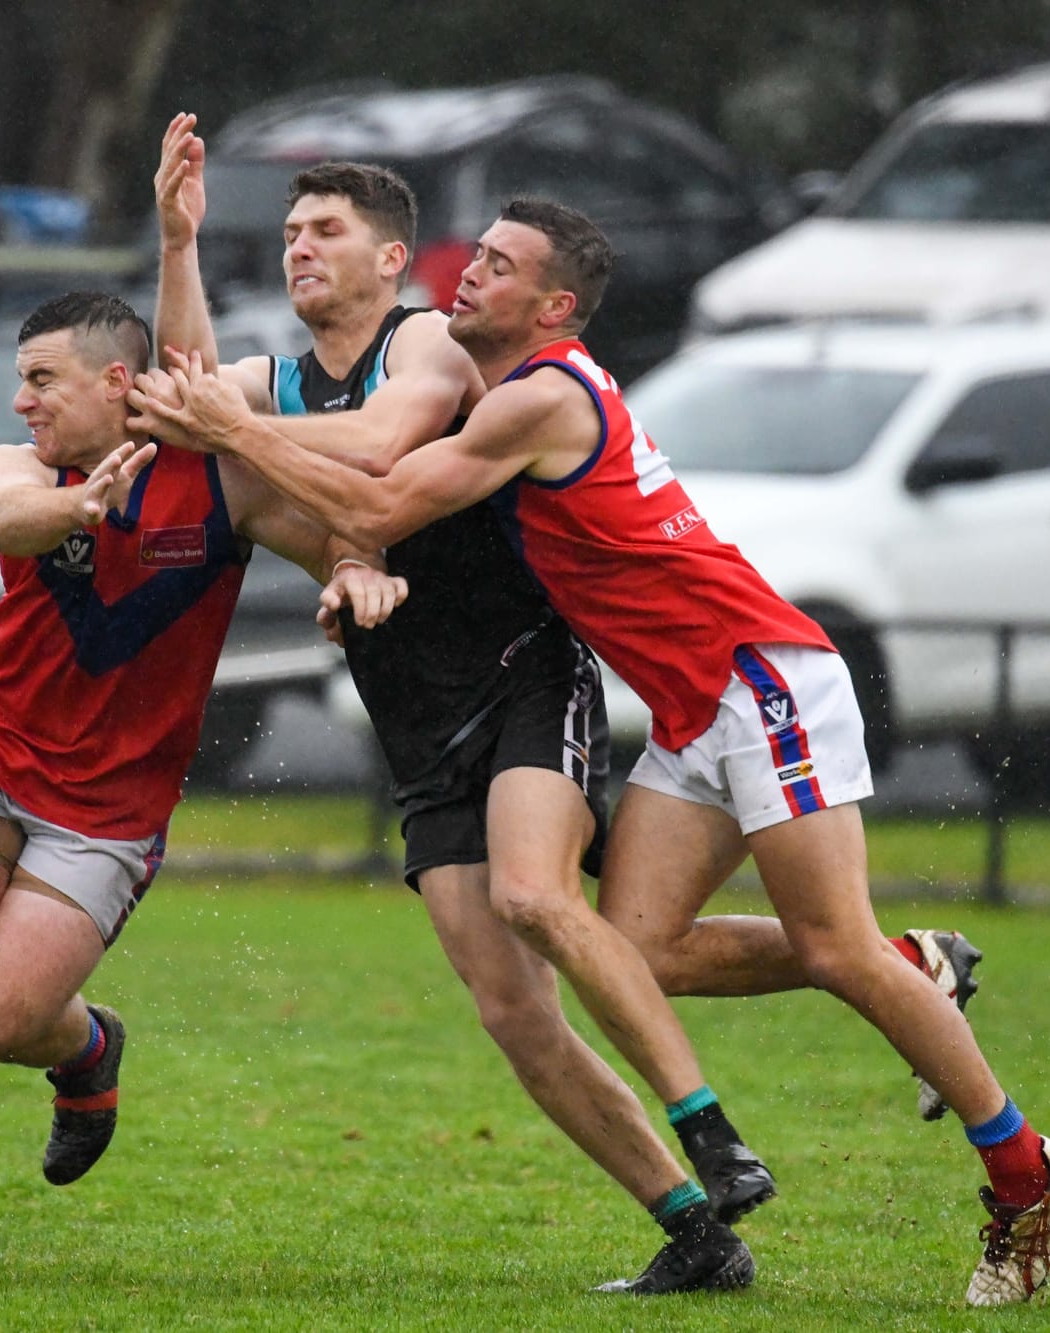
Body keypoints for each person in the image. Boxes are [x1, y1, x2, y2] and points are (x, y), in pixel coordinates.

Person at [127, 197, 1050, 1307]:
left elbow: (387, 492)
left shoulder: (541, 395)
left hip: (759, 674)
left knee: (833, 950)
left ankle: (1024, 1174)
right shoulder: (491, 391)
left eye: (497, 267)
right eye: (475, 256)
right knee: (643, 949)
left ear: (552, 308)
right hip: (690, 709)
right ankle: (908, 964)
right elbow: (364, 494)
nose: (470, 274)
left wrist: (232, 431)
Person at [148, 113, 764, 1295]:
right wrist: (179, 245)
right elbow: (193, 406)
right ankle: (696, 1228)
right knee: (511, 1007)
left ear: (390, 258)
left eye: (325, 229)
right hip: (415, 724)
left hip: (522, 674)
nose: (298, 249)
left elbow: (376, 459)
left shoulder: (425, 344)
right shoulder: (276, 381)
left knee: (538, 894)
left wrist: (260, 455)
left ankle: (711, 1129)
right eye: (286, 231)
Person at [0, 291, 406, 1273]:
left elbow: (340, 529)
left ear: (115, 382)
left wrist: (349, 573)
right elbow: (2, 512)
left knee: (4, 1017)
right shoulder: (26, 466)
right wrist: (73, 505)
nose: (20, 401)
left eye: (42, 380)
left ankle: (84, 1054)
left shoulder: (216, 484)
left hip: (108, 802)